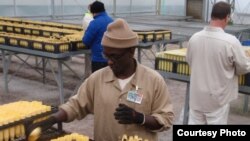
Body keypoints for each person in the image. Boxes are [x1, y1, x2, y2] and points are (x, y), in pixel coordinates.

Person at [27, 18, 174, 141]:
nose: (109, 62)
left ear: (131, 51)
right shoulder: (97, 79)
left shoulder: (153, 81)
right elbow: (76, 105)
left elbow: (165, 119)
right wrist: (53, 119)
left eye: (114, 56)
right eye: (106, 56)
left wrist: (139, 118)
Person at [186, 1, 250, 124]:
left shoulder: (194, 38)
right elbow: (243, 67)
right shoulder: (231, 42)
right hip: (217, 100)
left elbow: (190, 61)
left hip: (197, 98)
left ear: (212, 16)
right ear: (227, 17)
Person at [82, 1, 113, 73]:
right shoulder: (112, 21)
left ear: (94, 11)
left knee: (98, 81)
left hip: (99, 59)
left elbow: (86, 41)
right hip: (111, 58)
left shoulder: (94, 23)